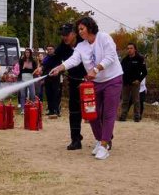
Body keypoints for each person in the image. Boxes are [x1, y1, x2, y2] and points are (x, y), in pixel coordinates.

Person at [49, 17, 123, 160]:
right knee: (91, 113)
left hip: (113, 79)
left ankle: (104, 145)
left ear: (90, 27)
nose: (80, 32)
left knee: (108, 113)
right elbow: (74, 60)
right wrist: (60, 67)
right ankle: (100, 140)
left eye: (82, 28)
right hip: (96, 83)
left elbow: (111, 57)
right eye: (79, 30)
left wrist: (95, 69)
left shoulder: (104, 38)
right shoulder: (81, 46)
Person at [36, 23, 87, 150]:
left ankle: (105, 137)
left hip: (89, 81)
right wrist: (42, 67)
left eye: (67, 34)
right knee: (74, 110)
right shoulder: (63, 46)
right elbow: (53, 58)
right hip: (74, 81)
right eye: (62, 35)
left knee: (93, 109)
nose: (64, 37)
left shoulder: (85, 43)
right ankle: (75, 139)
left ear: (74, 33)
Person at [119, 43, 148, 122]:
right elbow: (120, 71)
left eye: (131, 48)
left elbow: (145, 72)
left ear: (135, 49)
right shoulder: (125, 59)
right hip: (125, 83)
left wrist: (139, 80)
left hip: (135, 83)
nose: (129, 50)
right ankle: (123, 116)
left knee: (136, 100)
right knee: (125, 100)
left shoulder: (140, 59)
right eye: (128, 48)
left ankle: (137, 116)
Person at [40, 45, 62, 117]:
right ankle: (51, 110)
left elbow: (61, 68)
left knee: (56, 95)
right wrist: (41, 76)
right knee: (49, 95)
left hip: (55, 79)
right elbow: (43, 68)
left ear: (54, 50)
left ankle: (57, 111)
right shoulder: (46, 59)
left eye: (51, 49)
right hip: (47, 79)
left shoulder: (57, 58)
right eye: (48, 49)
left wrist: (57, 73)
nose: (49, 50)